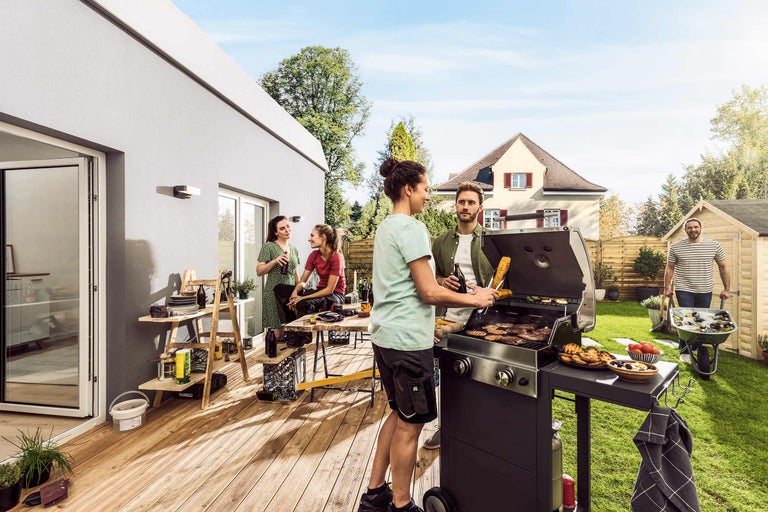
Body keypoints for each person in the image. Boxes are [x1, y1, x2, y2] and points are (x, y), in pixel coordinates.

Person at [358, 158, 498, 512]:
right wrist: (475, 297)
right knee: (412, 425)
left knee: (398, 413)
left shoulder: (387, 227)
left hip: (386, 337)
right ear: (408, 189)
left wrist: (440, 284)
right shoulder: (413, 229)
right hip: (407, 342)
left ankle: (375, 494)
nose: (426, 196)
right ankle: (402, 504)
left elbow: (410, 284)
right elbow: (429, 294)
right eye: (424, 188)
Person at [423, 181, 494, 450]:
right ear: (455, 205)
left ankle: (479, 431)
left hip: (482, 319)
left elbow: (502, 280)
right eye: (461, 202)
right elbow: (429, 278)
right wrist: (442, 281)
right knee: (449, 377)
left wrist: (487, 292)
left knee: (481, 378)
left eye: (471, 202)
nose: (465, 206)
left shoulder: (491, 241)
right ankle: (447, 429)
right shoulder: (440, 241)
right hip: (448, 319)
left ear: (480, 207)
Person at [663, 217, 731, 361]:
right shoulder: (676, 247)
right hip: (684, 288)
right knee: (687, 320)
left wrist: (727, 288)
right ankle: (685, 352)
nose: (693, 230)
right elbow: (670, 268)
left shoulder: (714, 245)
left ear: (701, 228)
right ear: (685, 230)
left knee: (700, 321)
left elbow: (723, 266)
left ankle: (697, 348)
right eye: (689, 227)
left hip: (705, 289)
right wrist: (667, 287)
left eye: (695, 227)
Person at [274, 223, 347, 325]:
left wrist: (302, 297)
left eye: (312, 235)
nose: (309, 239)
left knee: (303, 303)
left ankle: (303, 334)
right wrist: (294, 294)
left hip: (335, 296)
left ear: (323, 237)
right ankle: (290, 325)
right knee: (279, 289)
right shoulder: (313, 255)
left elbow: (329, 289)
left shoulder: (336, 257)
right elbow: (303, 281)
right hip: (319, 292)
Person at [256, 216, 300, 340]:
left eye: (288, 226)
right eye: (282, 228)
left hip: (291, 293)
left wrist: (299, 292)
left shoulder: (294, 249)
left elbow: (296, 275)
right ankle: (276, 355)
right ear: (276, 232)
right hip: (274, 293)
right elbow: (259, 271)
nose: (287, 230)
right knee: (278, 331)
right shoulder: (269, 247)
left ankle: (290, 358)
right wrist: (274, 261)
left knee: (292, 327)